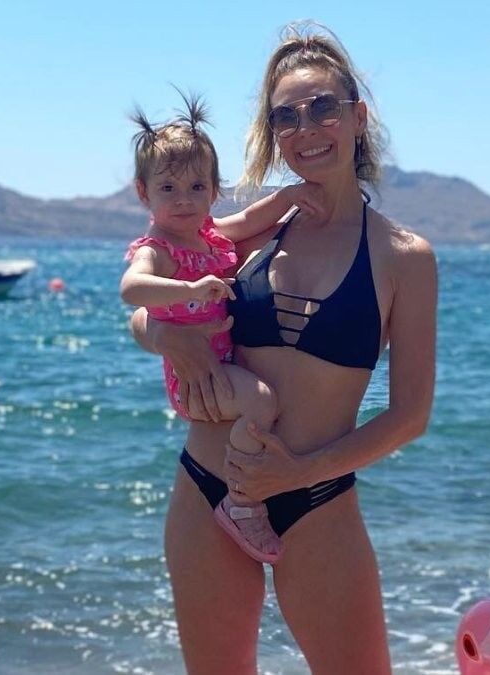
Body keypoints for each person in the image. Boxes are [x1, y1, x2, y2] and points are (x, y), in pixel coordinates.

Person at [129, 22, 437, 674]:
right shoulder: (246, 234)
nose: (306, 127)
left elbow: (410, 416)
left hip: (316, 498)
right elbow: (148, 308)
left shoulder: (404, 256)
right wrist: (168, 338)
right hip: (207, 486)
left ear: (357, 117)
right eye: (286, 115)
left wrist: (296, 473)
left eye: (323, 107)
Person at [120, 93, 326, 563]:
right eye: (168, 188)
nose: (184, 199)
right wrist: (188, 289)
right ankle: (242, 501)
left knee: (260, 400)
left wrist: (289, 197)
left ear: (214, 190)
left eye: (196, 186)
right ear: (143, 192)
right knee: (262, 401)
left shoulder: (208, 236)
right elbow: (132, 289)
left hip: (220, 365)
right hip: (196, 380)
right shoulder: (159, 250)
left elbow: (250, 220)